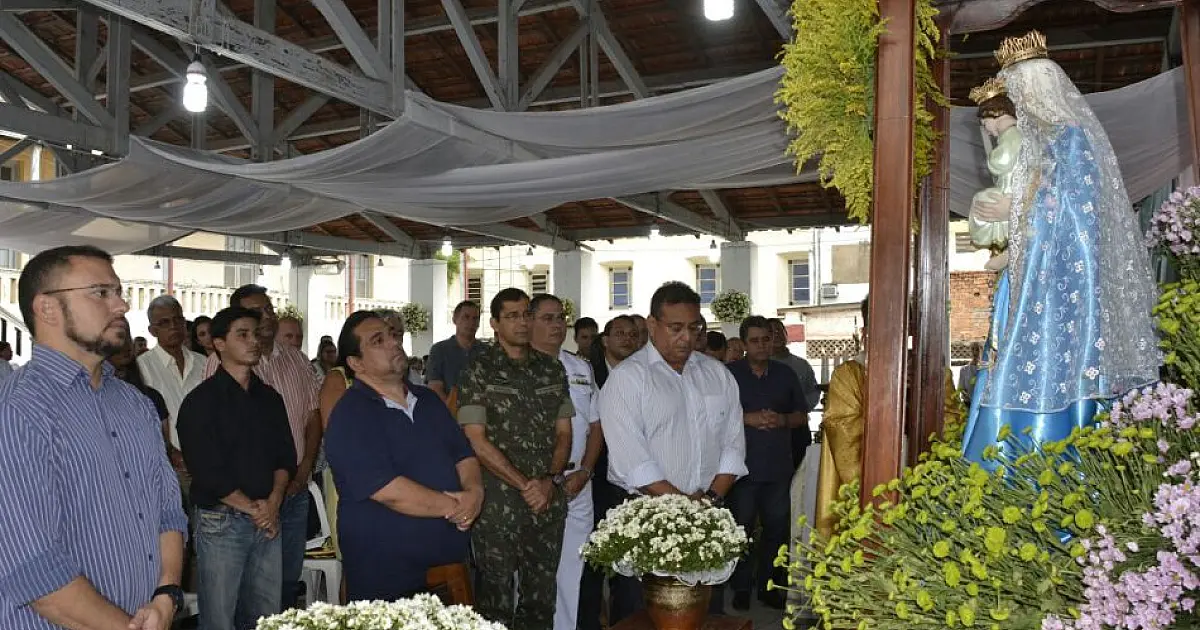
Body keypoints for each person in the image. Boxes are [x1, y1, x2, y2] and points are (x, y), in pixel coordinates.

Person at [961, 32, 1160, 467]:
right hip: (1031, 270)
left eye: (1017, 91)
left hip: (1062, 278)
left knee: (1058, 360)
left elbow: (1074, 208)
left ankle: (1037, 464)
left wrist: (1017, 210)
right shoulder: (1036, 141)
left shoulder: (1070, 137)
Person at [0, 245, 187, 630]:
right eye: (101, 293)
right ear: (47, 308)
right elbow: (33, 566)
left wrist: (167, 595)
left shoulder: (135, 404)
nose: (121, 306)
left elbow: (168, 513)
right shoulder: (19, 409)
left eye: (118, 292)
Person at [598, 282, 747, 622]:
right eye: (676, 328)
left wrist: (707, 502)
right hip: (647, 520)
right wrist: (683, 507)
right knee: (642, 616)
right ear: (652, 326)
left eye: (694, 328)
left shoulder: (717, 375)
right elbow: (633, 462)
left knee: (707, 616)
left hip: (708, 515)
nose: (686, 337)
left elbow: (733, 446)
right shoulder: (628, 379)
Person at [325, 311, 482, 601]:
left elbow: (463, 455)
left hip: (448, 564)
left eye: (393, 335)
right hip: (385, 569)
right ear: (356, 363)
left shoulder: (428, 401)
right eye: (378, 340)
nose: (394, 342)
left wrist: (474, 492)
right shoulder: (351, 414)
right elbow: (387, 490)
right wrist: (455, 506)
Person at [457, 288, 573, 630]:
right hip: (498, 502)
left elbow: (564, 433)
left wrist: (549, 481)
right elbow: (474, 439)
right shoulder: (479, 368)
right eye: (512, 316)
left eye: (525, 314)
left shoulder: (552, 369)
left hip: (547, 498)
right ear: (494, 324)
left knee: (541, 597)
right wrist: (526, 485)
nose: (521, 322)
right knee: (496, 598)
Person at [203, 285, 321, 610]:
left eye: (268, 309)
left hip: (295, 487)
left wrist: (305, 467)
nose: (266, 317)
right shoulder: (224, 366)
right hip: (250, 499)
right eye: (256, 312)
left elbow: (313, 418)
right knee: (247, 588)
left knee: (284, 580)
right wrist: (263, 499)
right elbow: (223, 440)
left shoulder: (296, 358)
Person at [178, 307, 296, 630]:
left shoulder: (270, 398)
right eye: (242, 335)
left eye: (255, 334)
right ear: (218, 343)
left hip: (267, 517)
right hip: (222, 521)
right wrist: (255, 509)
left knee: (265, 618)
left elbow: (286, 458)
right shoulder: (200, 402)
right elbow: (205, 470)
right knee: (219, 618)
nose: (253, 342)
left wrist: (272, 503)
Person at [528, 294, 602, 630]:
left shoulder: (580, 367)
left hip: (577, 484)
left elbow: (596, 425)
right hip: (535, 487)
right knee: (529, 576)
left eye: (560, 317)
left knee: (571, 571)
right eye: (547, 318)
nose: (557, 325)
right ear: (528, 321)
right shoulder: (517, 368)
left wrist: (585, 470)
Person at [725, 316, 809, 611]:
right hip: (742, 468)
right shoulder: (730, 374)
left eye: (766, 339)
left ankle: (768, 586)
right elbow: (714, 417)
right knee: (742, 530)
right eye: (755, 340)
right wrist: (746, 418)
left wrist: (782, 419)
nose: (762, 345)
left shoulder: (785, 374)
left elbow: (802, 416)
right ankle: (742, 587)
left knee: (776, 529)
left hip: (777, 466)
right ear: (744, 344)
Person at [579, 314, 639, 630]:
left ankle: (624, 623)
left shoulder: (646, 374)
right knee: (593, 560)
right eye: (620, 333)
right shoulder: (589, 373)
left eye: (633, 334)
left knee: (628, 564)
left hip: (634, 481)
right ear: (605, 340)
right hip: (595, 478)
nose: (627, 339)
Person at [138, 295, 207, 499]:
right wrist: (173, 454)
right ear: (152, 331)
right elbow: (146, 421)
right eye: (164, 323)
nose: (174, 327)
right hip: (169, 467)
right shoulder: (143, 367)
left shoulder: (203, 363)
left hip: (208, 463)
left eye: (178, 320)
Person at [768, 319, 821, 471]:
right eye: (771, 332)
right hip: (771, 428)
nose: (776, 335)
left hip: (797, 427)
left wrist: (798, 407)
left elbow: (813, 391)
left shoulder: (801, 365)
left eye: (780, 331)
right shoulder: (761, 365)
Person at [427, 300, 485, 403]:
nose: (471, 323)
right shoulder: (440, 350)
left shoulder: (486, 351)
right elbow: (435, 387)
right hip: (450, 412)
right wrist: (451, 412)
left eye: (475, 318)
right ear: (454, 319)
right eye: (466, 317)